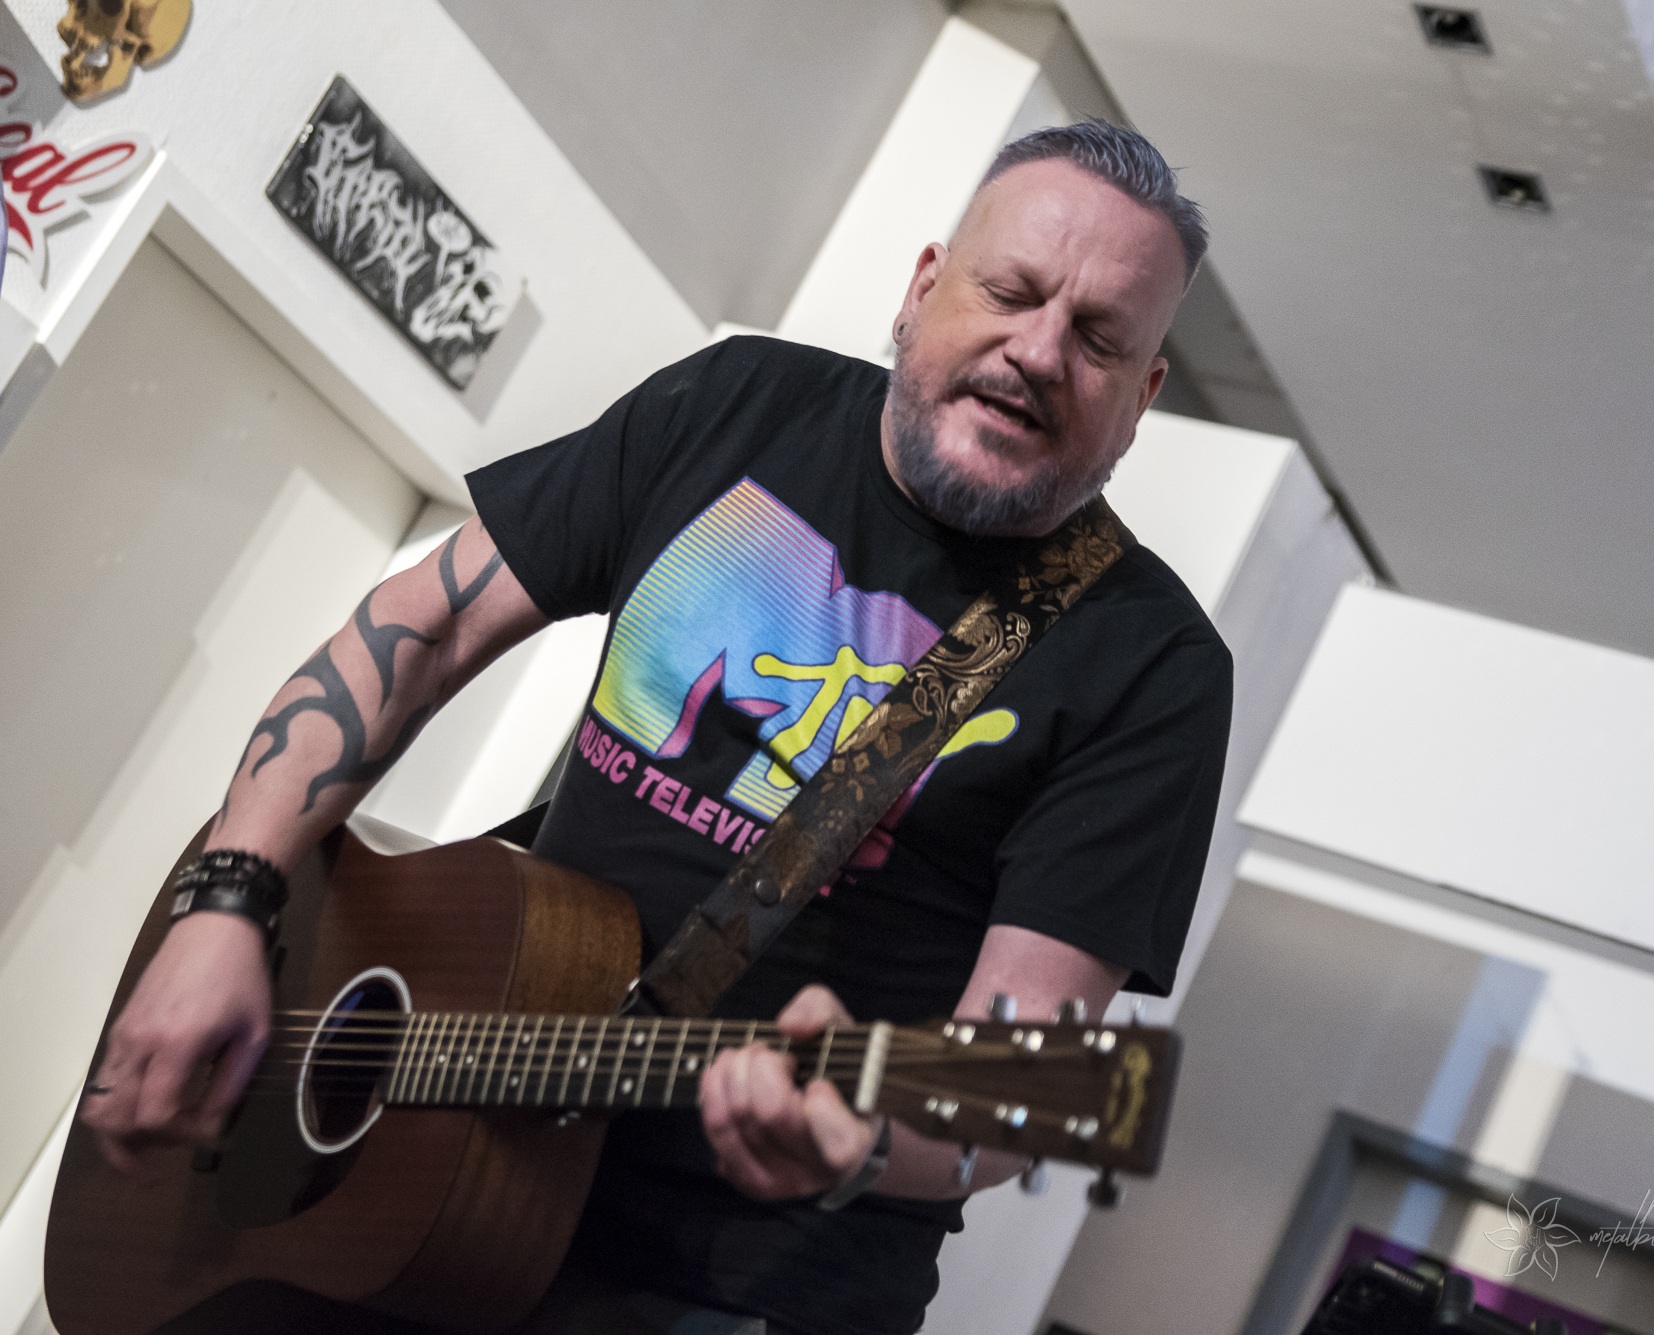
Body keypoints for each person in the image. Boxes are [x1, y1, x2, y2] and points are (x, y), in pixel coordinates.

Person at [82, 119, 1233, 1335]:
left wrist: (857, 1140)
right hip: (405, 1171)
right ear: (922, 287)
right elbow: (421, 631)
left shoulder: (1148, 666)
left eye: (1098, 338)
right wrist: (229, 899)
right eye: (1010, 292)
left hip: (727, 1289)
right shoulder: (739, 405)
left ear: (1141, 397)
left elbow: (1015, 1077)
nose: (1039, 350)